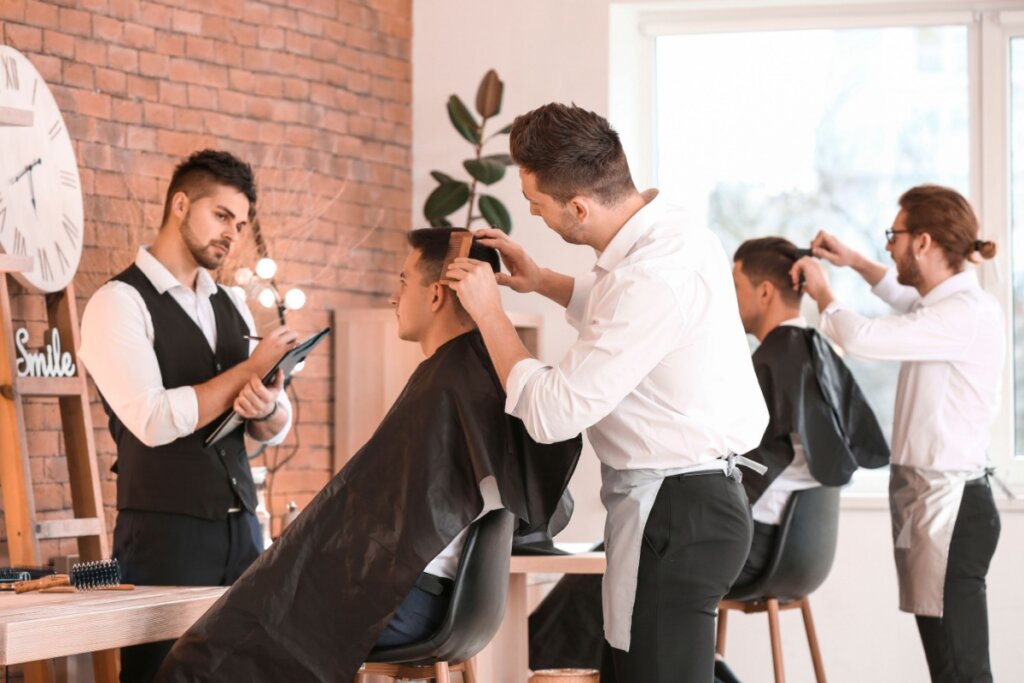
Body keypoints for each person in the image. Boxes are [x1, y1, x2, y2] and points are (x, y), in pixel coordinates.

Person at [155, 228, 582, 683]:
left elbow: (381, 526)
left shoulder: (446, 385)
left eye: (403, 281)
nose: (393, 297)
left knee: (201, 658)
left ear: (437, 295)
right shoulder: (486, 375)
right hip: (448, 603)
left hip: (402, 600)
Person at [445, 103, 768, 683]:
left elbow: (554, 413)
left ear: (578, 207)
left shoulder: (653, 275)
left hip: (676, 513)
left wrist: (493, 315)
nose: (533, 216)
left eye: (535, 205)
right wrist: (542, 281)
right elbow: (632, 318)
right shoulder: (672, 235)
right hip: (689, 504)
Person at [527, 236, 890, 682]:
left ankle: (532, 665)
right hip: (801, 552)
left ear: (764, 292)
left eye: (734, 286)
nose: (727, 299)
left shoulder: (771, 364)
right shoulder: (813, 353)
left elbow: (721, 471)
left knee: (614, 566)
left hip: (751, 543)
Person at [78, 149, 296, 683]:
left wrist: (267, 405)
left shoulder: (232, 303)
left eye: (240, 224)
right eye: (221, 216)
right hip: (164, 537)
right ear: (180, 204)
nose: (232, 234)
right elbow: (151, 420)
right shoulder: (117, 303)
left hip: (244, 531)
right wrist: (251, 369)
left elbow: (274, 422)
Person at [792, 185, 1003, 683]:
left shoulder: (963, 315)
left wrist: (824, 290)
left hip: (951, 512)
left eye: (895, 235)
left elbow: (861, 337)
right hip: (933, 505)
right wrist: (853, 261)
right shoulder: (940, 307)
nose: (889, 245)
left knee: (960, 671)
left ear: (924, 242)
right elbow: (900, 293)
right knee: (949, 665)